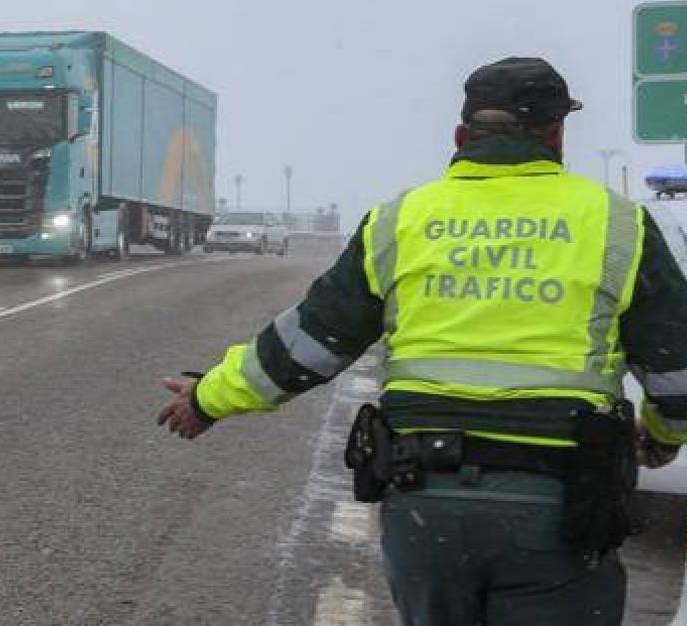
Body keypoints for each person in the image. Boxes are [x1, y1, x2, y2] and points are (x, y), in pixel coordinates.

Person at [156, 57, 687, 625]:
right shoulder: (616, 223)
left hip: (426, 504)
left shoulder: (401, 220)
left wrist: (209, 398)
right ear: (557, 135)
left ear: (461, 137)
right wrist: (660, 436)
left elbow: (310, 343)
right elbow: (677, 372)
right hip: (559, 506)